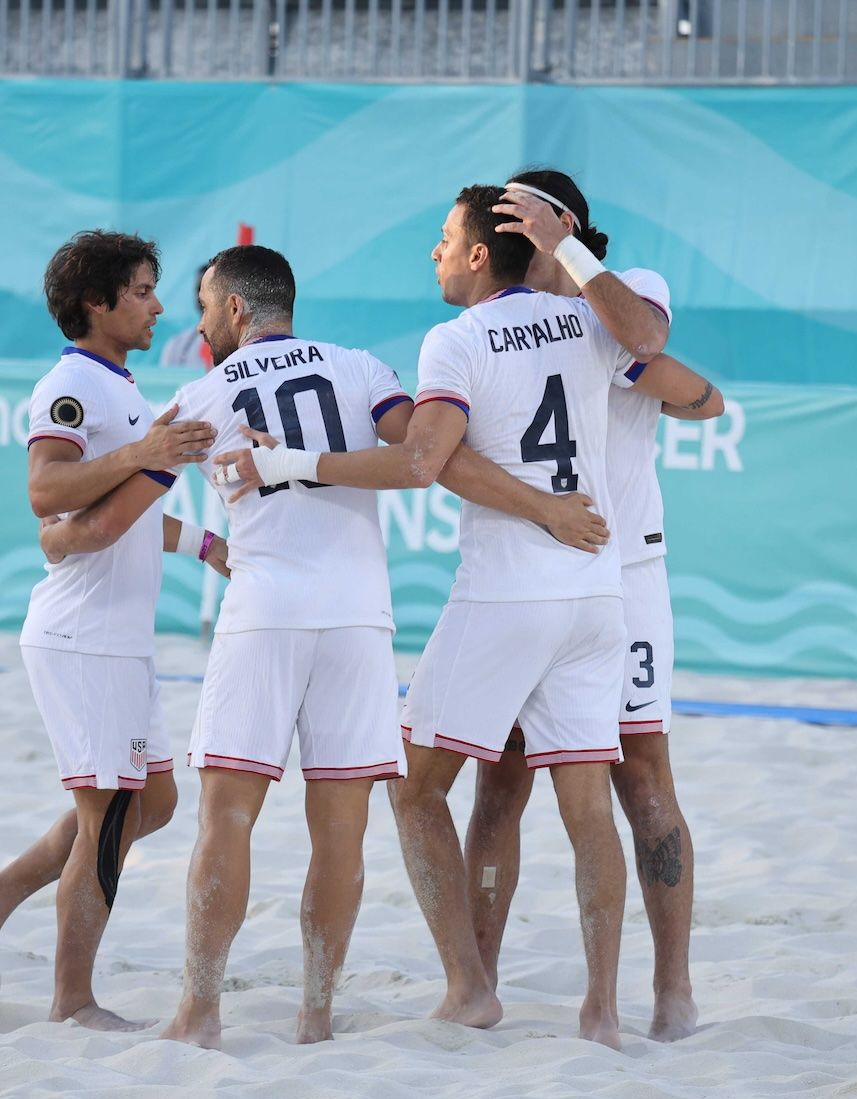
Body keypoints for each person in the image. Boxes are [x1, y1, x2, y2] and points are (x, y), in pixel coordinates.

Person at [42, 243, 617, 1048]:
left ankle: (199, 1012)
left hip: (265, 612)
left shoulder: (206, 393)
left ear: (237, 310)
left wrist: (60, 535)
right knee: (340, 827)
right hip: (358, 619)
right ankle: (315, 1015)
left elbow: (103, 522)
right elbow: (426, 456)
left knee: (229, 818)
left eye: (205, 305)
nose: (198, 320)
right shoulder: (361, 370)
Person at [214, 185, 712, 1048]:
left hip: (510, 590)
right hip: (601, 590)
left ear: (483, 253)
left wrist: (290, 465)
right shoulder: (588, 320)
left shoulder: (456, 337)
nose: (434, 252)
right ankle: (602, 1009)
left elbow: (420, 463)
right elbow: (685, 381)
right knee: (586, 801)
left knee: (414, 786)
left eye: (444, 238)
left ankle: (469, 987)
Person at [462, 170, 723, 1042]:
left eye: (522, 213)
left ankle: (672, 992)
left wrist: (561, 244)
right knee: (498, 784)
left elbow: (664, 359)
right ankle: (479, 984)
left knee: (641, 775)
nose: (514, 227)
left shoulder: (623, 290)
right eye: (507, 219)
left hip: (623, 570)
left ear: (558, 219)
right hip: (528, 570)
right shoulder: (491, 321)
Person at [0, 229, 222, 1032]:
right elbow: (46, 490)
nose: (159, 306)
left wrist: (209, 546)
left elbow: (123, 516)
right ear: (96, 303)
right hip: (81, 635)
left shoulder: (122, 387)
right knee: (106, 818)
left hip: (118, 637)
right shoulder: (70, 385)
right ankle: (73, 1003)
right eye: (141, 290)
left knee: (154, 802)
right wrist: (148, 450)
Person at [160, 261, 214, 370]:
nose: (203, 297)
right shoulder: (176, 347)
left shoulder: (240, 348)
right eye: (199, 289)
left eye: (211, 290)